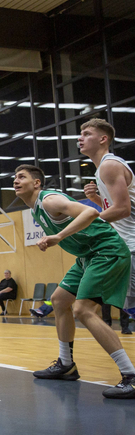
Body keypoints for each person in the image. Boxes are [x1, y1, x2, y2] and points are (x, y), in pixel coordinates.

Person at [15, 164, 135, 398]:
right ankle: (66, 364)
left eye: (22, 177)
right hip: (87, 256)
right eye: (15, 178)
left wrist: (59, 236)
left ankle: (130, 376)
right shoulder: (36, 209)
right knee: (59, 300)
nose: (16, 181)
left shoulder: (49, 200)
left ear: (37, 183)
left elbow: (90, 212)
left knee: (83, 310)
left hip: (106, 251)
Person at [80, 117, 135, 319]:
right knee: (129, 307)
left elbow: (123, 209)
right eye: (80, 134)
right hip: (126, 243)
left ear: (103, 139)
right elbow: (118, 208)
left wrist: (87, 223)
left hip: (132, 242)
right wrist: (96, 199)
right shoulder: (101, 169)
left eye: (87, 134)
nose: (80, 138)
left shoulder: (109, 165)